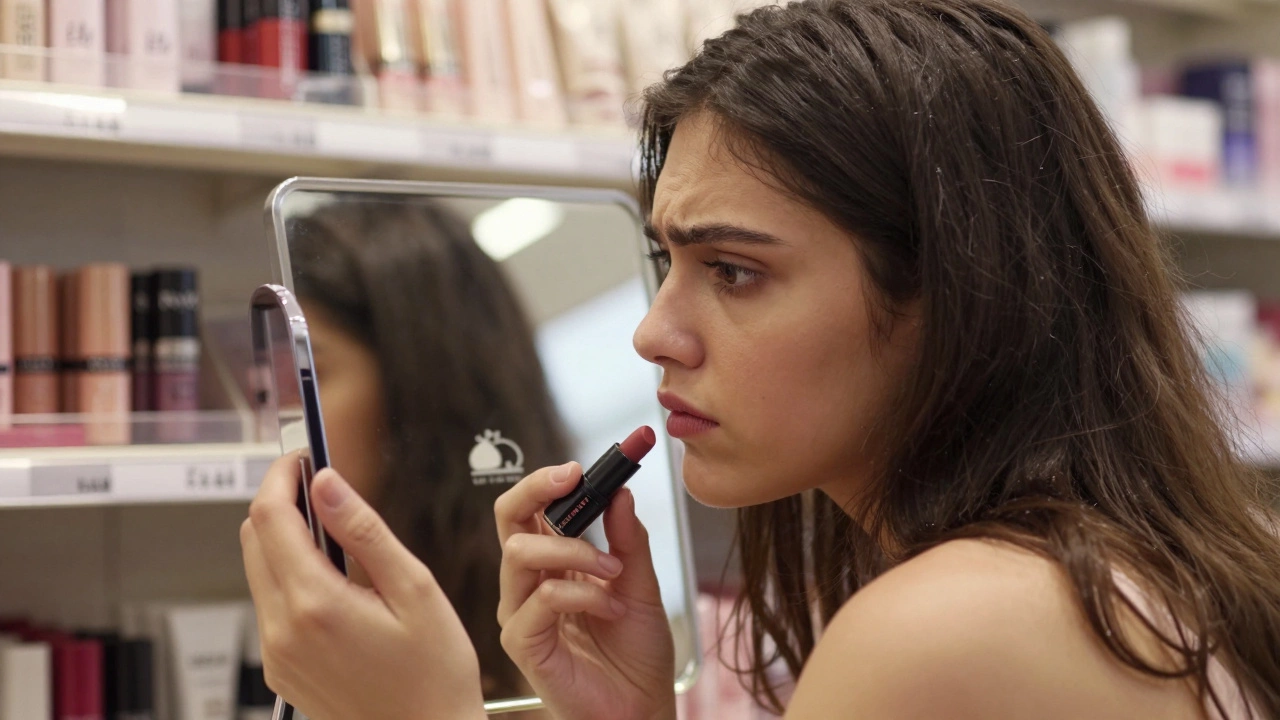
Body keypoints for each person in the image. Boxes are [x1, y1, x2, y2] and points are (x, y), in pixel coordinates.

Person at [239, 2, 1280, 719]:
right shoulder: (1101, 569)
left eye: (733, 271)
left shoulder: (952, 625)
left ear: (959, 293)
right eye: (667, 262)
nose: (653, 333)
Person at [282, 199, 571, 700]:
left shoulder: (568, 660)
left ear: (418, 393)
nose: (279, 418)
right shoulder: (305, 629)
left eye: (306, 377)